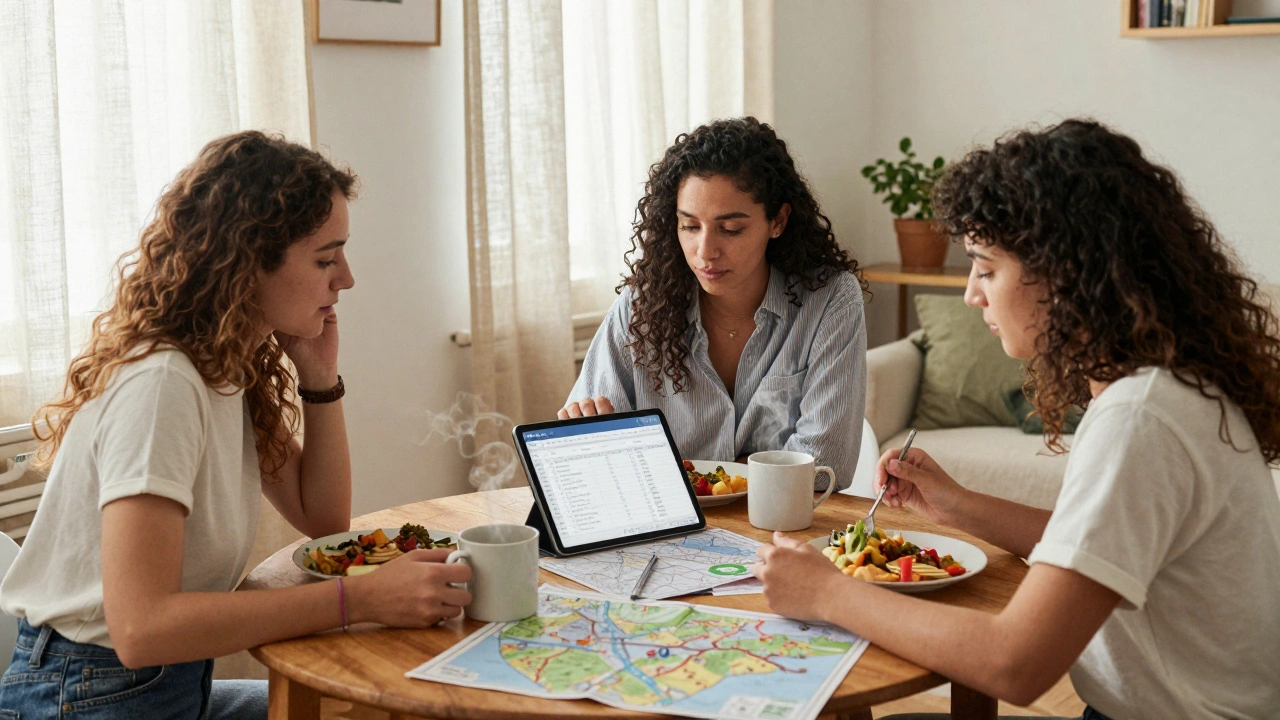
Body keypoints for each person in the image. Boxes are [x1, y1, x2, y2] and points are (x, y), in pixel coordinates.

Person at [752, 119, 1280, 719]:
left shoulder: (1142, 418)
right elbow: (1100, 545)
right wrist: (956, 505)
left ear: (1067, 274)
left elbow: (1015, 664)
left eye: (985, 267)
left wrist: (828, 592)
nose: (973, 294)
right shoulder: (1172, 385)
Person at [0, 132, 472, 720]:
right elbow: (141, 628)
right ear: (249, 262)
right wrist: (356, 599)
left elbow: (322, 518)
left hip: (158, 686)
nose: (346, 279)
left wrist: (320, 377)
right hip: (85, 695)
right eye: (326, 258)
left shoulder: (228, 364)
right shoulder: (162, 384)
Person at [560, 117, 867, 490]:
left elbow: (825, 466)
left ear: (778, 221)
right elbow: (595, 453)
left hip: (782, 535)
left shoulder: (830, 300)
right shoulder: (640, 309)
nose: (705, 252)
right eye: (690, 226)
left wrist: (682, 475)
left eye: (731, 229)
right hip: (667, 537)